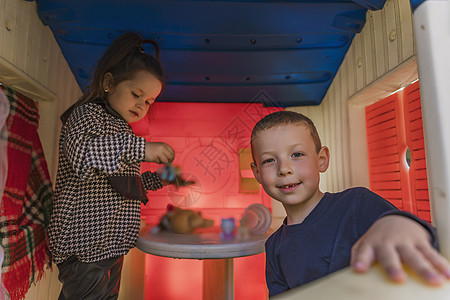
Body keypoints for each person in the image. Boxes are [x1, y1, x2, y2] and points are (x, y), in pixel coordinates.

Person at [250, 110, 450, 297]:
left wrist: (398, 223)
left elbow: (412, 237)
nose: (284, 169)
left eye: (297, 155)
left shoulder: (357, 203)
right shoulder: (274, 246)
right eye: (269, 160)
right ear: (257, 172)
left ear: (322, 160)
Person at [48, 32, 175, 299]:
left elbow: (119, 183)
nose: (142, 105)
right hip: (84, 246)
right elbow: (82, 156)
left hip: (110, 245)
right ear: (108, 83)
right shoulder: (87, 115)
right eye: (136, 94)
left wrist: (156, 179)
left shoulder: (124, 131)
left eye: (149, 101)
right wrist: (142, 149)